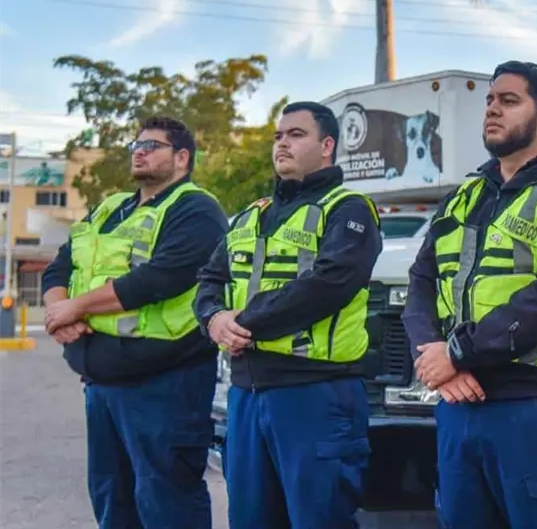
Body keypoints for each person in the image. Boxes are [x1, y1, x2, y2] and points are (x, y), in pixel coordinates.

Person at [402, 61, 537, 529]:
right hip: (458, 406)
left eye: (508, 100)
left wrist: (458, 352)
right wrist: (435, 363)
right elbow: (421, 282)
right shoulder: (465, 196)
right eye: (488, 101)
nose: (492, 110)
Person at [193, 101, 383, 529]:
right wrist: (213, 319)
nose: (282, 143)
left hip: (316, 394)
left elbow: (329, 283)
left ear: (327, 145)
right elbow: (209, 278)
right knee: (249, 519)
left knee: (319, 520)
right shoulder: (250, 215)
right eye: (279, 135)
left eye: (296, 134)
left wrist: (242, 322)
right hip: (246, 394)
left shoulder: (349, 209)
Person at [41, 116, 228, 528]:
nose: (139, 151)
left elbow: (160, 278)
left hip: (164, 386)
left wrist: (77, 308)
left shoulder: (196, 209)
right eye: (136, 145)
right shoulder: (111, 207)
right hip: (103, 386)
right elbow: (60, 266)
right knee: (112, 499)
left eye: (152, 145)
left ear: (182, 158)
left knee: (166, 499)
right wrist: (59, 314)